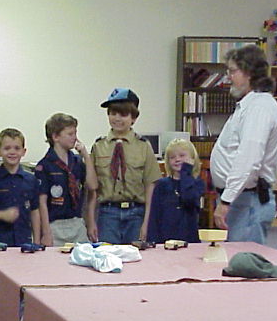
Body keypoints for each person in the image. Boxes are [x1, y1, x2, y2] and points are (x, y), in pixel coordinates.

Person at [211, 44, 277, 244]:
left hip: (247, 200)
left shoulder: (259, 108)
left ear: (250, 73)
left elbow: (249, 159)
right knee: (235, 257)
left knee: (244, 259)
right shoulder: (250, 105)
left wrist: (226, 200)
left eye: (233, 71)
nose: (228, 77)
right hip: (241, 199)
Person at [87, 88, 162, 244]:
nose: (117, 118)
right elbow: (92, 190)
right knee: (107, 255)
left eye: (123, 114)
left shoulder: (143, 146)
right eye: (113, 113)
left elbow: (150, 187)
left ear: (133, 118)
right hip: (107, 214)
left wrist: (147, 222)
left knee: (135, 256)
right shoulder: (99, 146)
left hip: (136, 214)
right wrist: (91, 221)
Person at [34, 113, 97, 246]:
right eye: (70, 134)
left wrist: (86, 156)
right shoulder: (44, 166)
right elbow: (42, 202)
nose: (75, 138)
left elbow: (92, 186)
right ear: (55, 137)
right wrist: (46, 232)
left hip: (77, 222)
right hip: (55, 225)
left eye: (75, 133)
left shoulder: (77, 162)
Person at [0, 128, 40, 247]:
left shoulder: (31, 180)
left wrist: (37, 240)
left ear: (24, 151)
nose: (12, 152)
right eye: (7, 148)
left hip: (24, 241)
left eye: (17, 148)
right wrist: (2, 215)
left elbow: (34, 211)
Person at [147, 139, 205, 244]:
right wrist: (153, 241)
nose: (177, 159)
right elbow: (154, 217)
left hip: (189, 238)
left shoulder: (197, 183)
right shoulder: (161, 185)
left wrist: (186, 172)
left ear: (192, 159)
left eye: (182, 155)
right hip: (164, 239)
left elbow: (188, 199)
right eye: (172, 157)